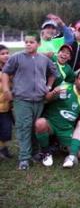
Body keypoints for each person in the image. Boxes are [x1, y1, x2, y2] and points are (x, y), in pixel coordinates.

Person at [2, 32, 57, 170]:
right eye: (26, 42)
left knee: (34, 127)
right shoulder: (17, 57)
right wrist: (6, 89)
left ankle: (35, 152)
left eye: (31, 42)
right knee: (24, 127)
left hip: (39, 100)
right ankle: (24, 158)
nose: (28, 44)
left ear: (38, 44)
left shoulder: (43, 59)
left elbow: (53, 73)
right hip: (22, 99)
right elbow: (5, 72)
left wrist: (48, 87)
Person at [34, 70, 80, 167]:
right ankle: (46, 152)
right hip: (51, 123)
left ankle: (59, 146)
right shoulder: (65, 88)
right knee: (40, 123)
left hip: (66, 129)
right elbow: (46, 99)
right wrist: (53, 93)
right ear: (76, 80)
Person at [0, 44, 13, 159]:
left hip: (6, 106)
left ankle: (3, 149)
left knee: (6, 130)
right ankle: (3, 150)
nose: (6, 56)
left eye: (7, 53)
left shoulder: (10, 68)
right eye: (2, 54)